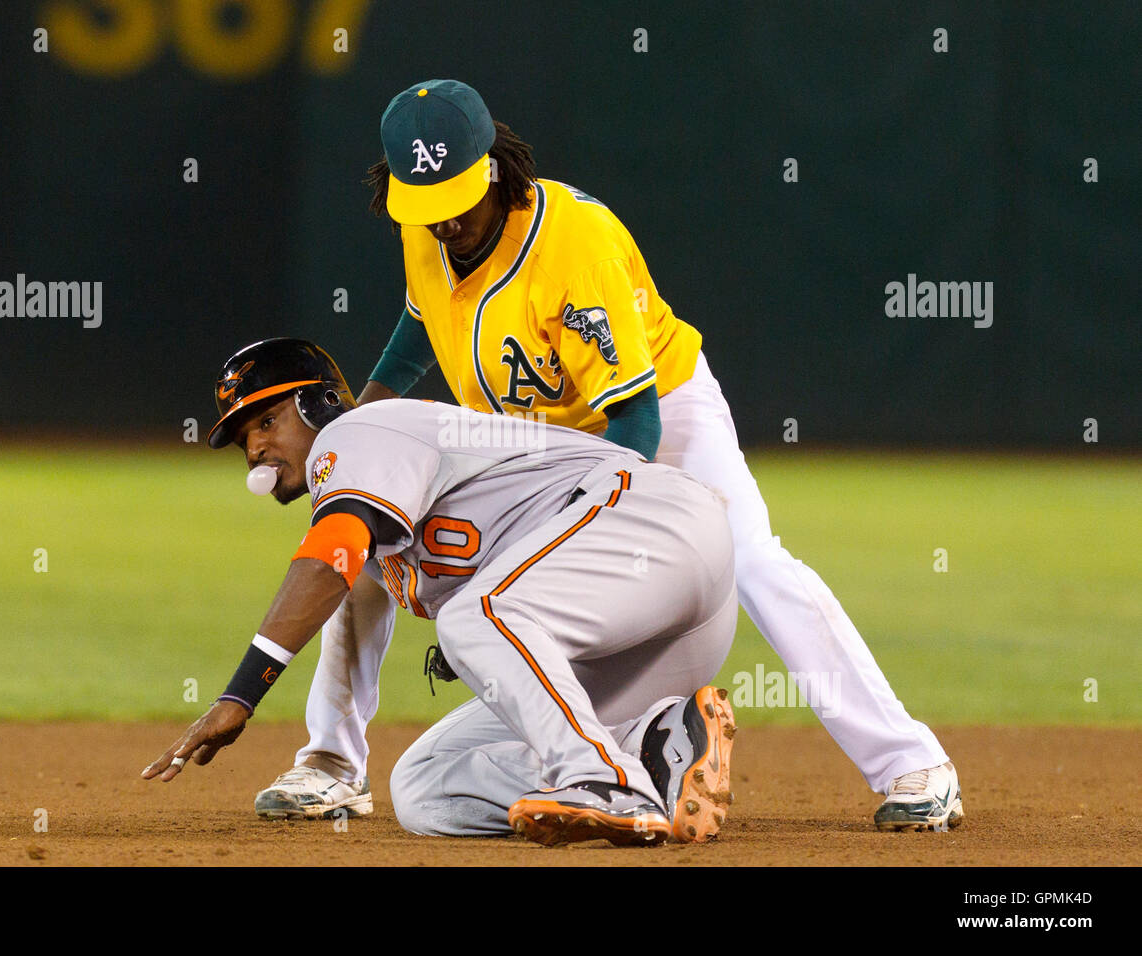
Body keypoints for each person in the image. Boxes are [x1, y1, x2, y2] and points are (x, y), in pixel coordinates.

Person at [263, 79, 962, 833]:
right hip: (527, 442)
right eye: (427, 207)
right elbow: (420, 315)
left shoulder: (576, 246)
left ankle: (909, 763)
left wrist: (536, 555)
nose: (447, 221)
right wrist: (370, 418)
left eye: (458, 199)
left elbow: (635, 422)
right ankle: (333, 763)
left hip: (650, 411)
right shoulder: (429, 223)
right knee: (373, 541)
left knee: (753, 560)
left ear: (493, 168)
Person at [141, 337, 740, 846]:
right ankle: (656, 751)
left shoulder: (355, 433)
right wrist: (330, 760)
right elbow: (347, 610)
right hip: (655, 634)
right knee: (426, 786)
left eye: (267, 421)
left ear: (320, 404)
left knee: (473, 621)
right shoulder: (367, 524)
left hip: (654, 519)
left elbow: (325, 566)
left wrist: (240, 695)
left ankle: (607, 782)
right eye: (244, 437)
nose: (255, 449)